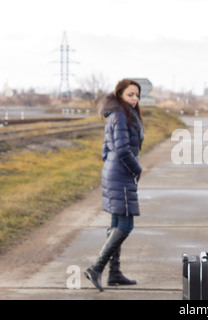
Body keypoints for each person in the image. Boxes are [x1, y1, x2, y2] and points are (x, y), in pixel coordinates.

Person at [84, 79, 145, 292]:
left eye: (137, 94)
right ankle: (96, 268)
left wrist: (111, 167)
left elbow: (105, 149)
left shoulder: (118, 114)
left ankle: (114, 273)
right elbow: (121, 148)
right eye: (130, 94)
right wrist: (136, 169)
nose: (135, 98)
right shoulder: (120, 115)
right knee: (125, 225)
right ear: (119, 94)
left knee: (116, 222)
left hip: (114, 172)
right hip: (121, 174)